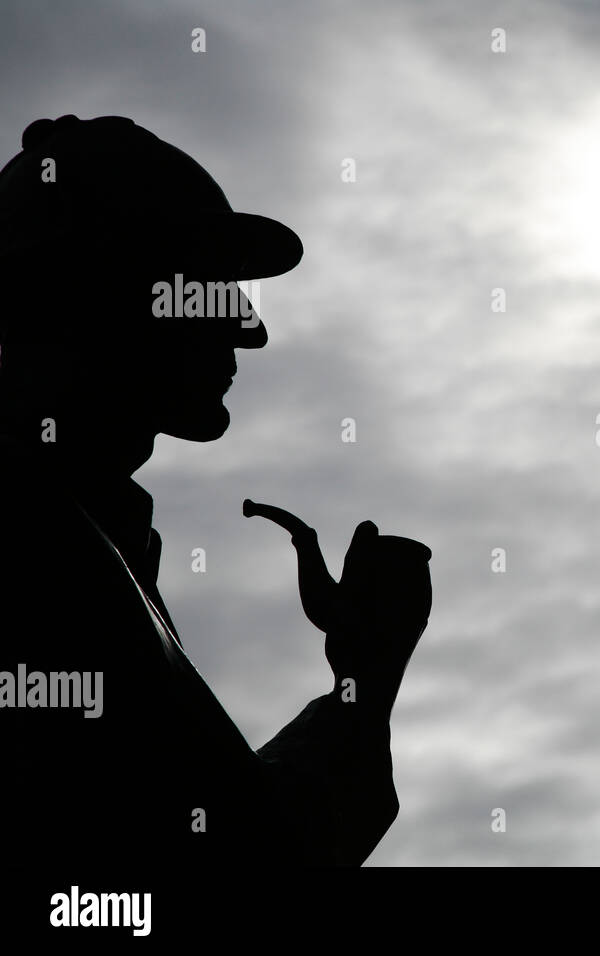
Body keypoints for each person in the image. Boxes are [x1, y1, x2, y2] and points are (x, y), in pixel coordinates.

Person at [0, 115, 432, 865]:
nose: (247, 328)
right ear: (95, 293)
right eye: (204, 282)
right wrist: (367, 687)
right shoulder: (33, 554)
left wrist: (361, 686)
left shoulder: (81, 538)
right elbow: (237, 872)